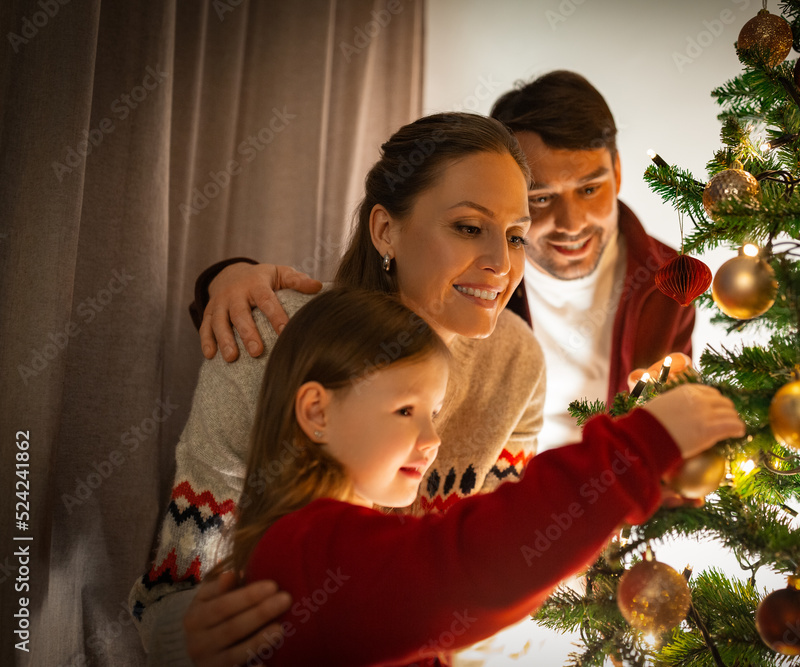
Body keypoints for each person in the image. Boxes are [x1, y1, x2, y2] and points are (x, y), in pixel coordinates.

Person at [129, 112, 550, 665]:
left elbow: (493, 563)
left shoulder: (517, 363)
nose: (501, 263)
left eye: (515, 235)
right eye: (469, 227)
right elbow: (173, 589)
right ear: (385, 230)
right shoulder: (272, 341)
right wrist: (186, 638)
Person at [215, 285, 743, 665]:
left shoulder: (322, 543)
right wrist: (640, 446)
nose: (433, 439)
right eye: (405, 410)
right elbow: (474, 564)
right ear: (317, 412)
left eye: (434, 414)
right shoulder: (309, 549)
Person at [192, 71, 694, 454]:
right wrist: (226, 276)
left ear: (619, 172)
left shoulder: (665, 284)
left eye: (590, 188)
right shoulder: (304, 341)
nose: (571, 221)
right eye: (540, 199)